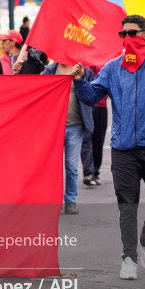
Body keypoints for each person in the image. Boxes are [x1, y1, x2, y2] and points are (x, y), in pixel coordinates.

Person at [71, 15, 145, 280]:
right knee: (127, 204)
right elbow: (92, 96)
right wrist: (80, 81)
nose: (127, 38)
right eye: (123, 34)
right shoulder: (112, 68)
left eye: (132, 33)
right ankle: (128, 257)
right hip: (123, 150)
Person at [43, 62, 94, 214]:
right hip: (54, 127)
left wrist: (81, 76)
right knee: (53, 167)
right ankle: (53, 201)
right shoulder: (50, 71)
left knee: (71, 167)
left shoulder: (84, 70)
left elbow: (92, 93)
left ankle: (70, 200)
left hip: (75, 127)